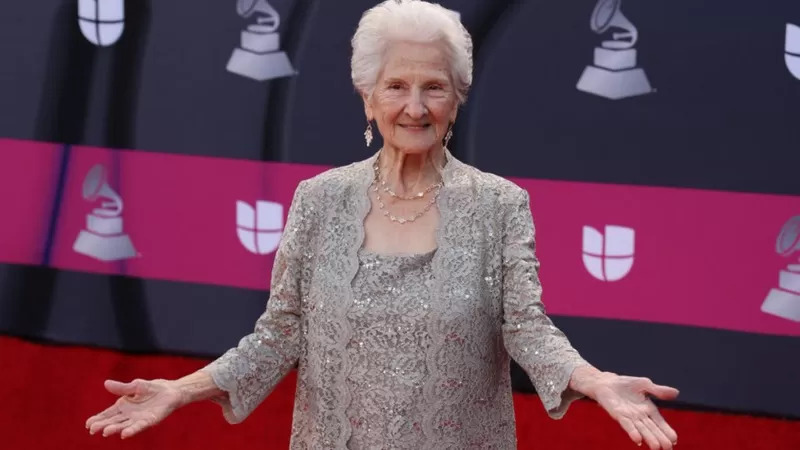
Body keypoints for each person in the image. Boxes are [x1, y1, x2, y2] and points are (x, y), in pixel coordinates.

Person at [86, 1, 679, 448]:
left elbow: (527, 329)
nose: (415, 108)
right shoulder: (319, 200)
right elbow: (279, 335)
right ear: (367, 96)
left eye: (434, 88)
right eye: (396, 86)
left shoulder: (501, 205)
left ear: (457, 99)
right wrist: (179, 391)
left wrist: (597, 381)